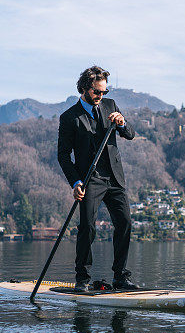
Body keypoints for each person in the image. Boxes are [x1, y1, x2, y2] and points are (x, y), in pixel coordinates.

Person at [57, 66, 138, 291]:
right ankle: (82, 279)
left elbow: (130, 134)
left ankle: (121, 276)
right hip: (89, 180)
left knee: (125, 223)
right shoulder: (69, 118)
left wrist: (121, 122)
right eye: (97, 92)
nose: (101, 97)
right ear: (84, 89)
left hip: (114, 177)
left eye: (104, 92)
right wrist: (75, 182)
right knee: (88, 228)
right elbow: (63, 155)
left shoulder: (110, 106)